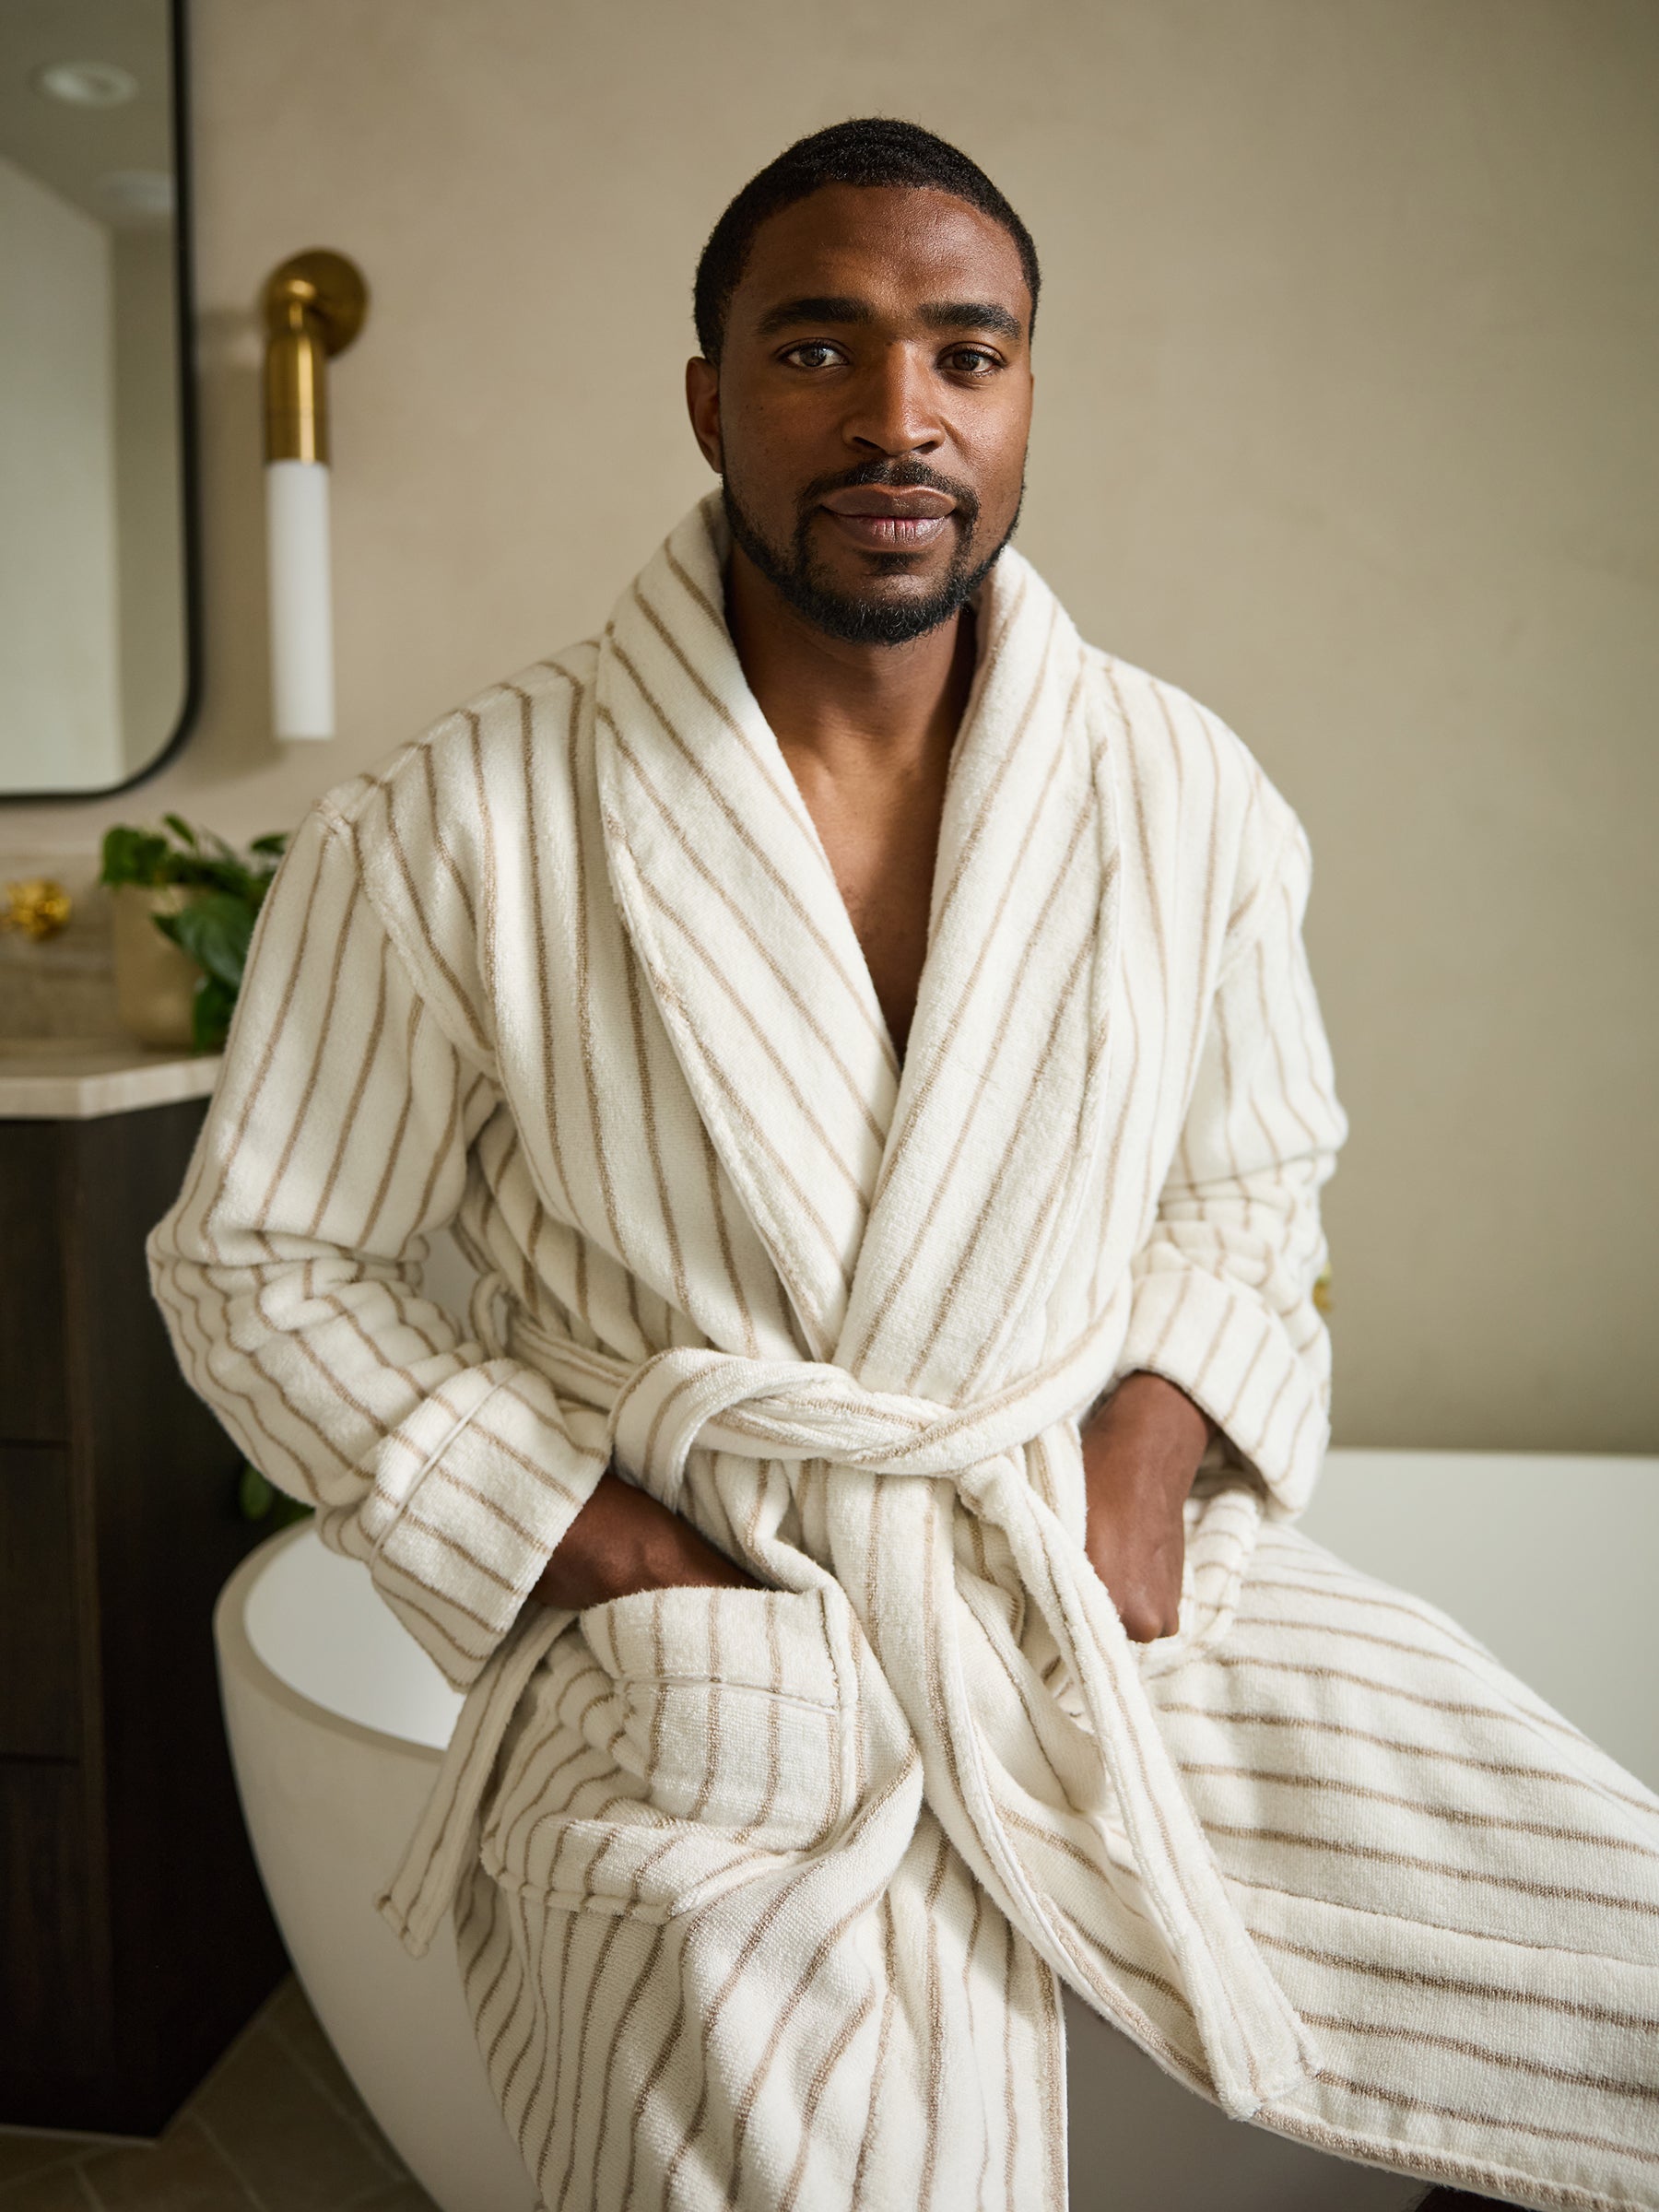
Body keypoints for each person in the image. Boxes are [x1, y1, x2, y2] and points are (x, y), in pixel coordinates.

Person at [149, 119, 1657, 2212]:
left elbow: (1251, 1180)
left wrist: (1141, 1471)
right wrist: (616, 1556)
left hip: (1091, 1590)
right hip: (722, 1635)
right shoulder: (460, 822)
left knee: (1606, 1967)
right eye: (816, 353)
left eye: (969, 354)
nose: (899, 419)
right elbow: (266, 1265)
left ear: (1028, 391)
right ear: (709, 399)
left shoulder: (1180, 791)